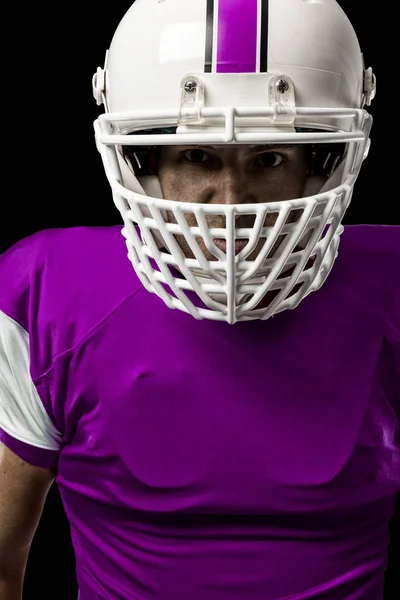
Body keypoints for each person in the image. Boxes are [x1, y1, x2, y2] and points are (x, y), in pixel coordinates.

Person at [0, 0, 398, 599]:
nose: (231, 202)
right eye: (196, 156)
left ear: (321, 164)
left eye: (268, 159)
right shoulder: (45, 295)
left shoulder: (390, 288)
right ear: (146, 160)